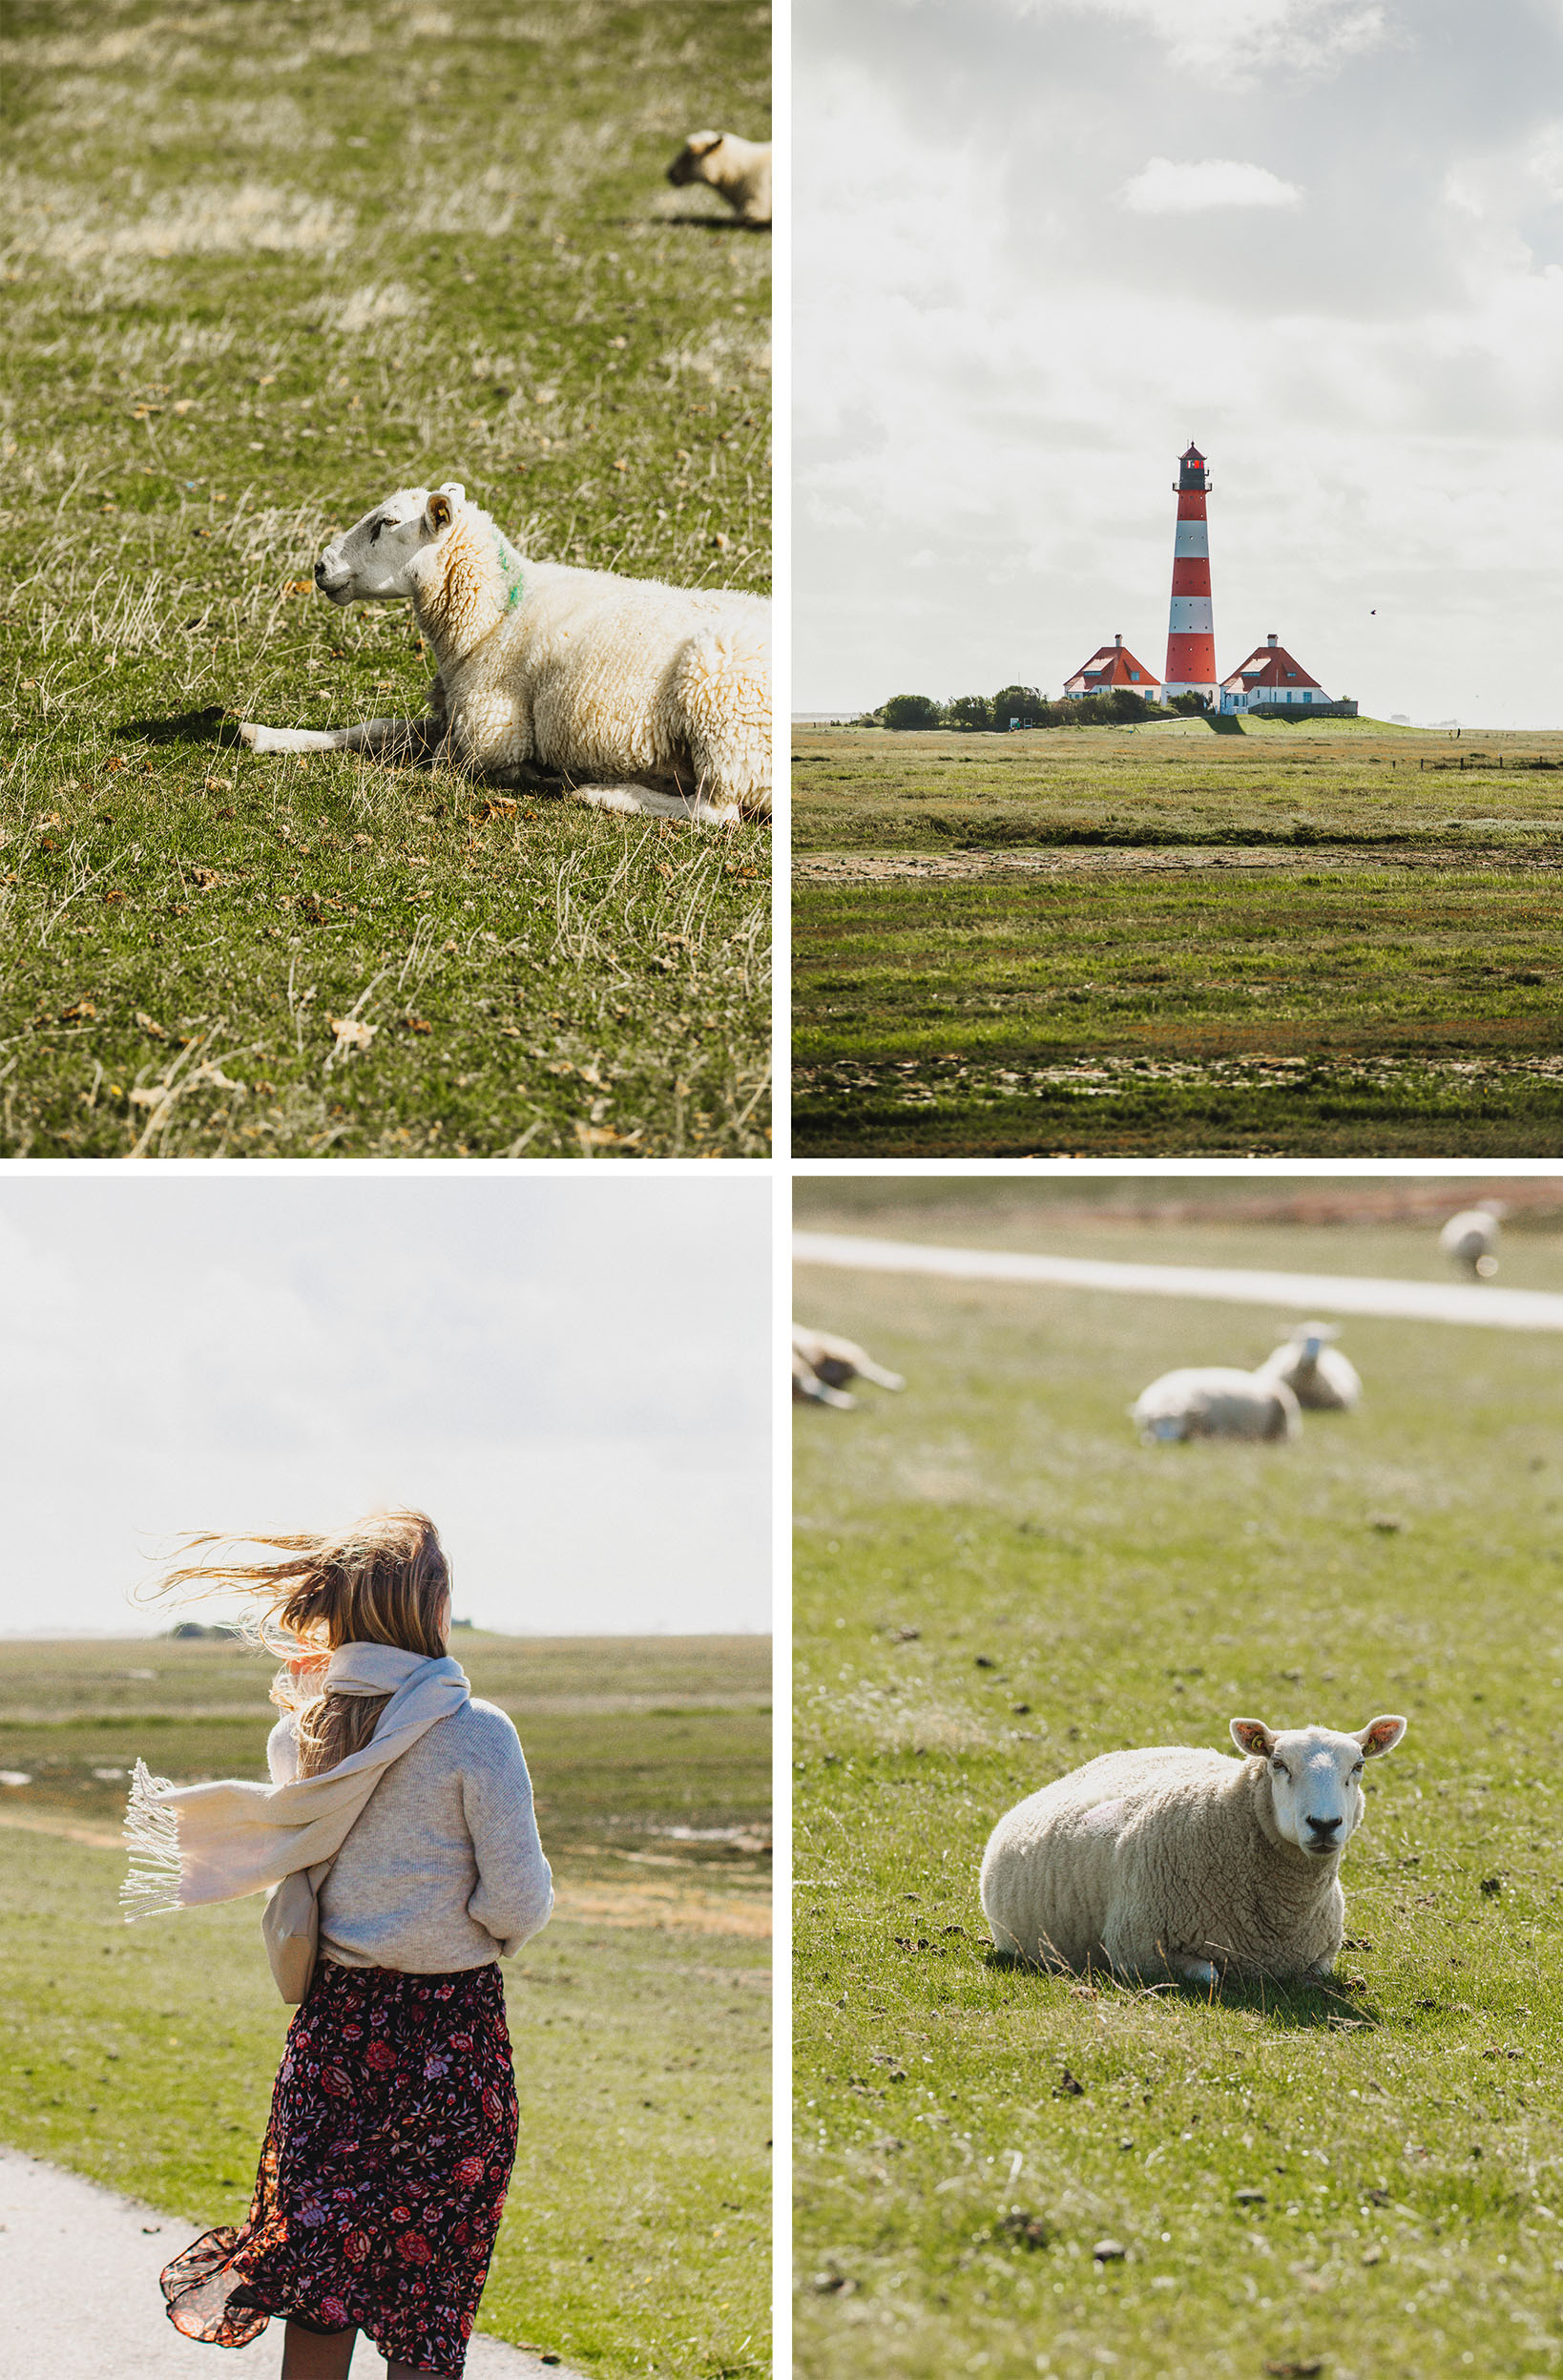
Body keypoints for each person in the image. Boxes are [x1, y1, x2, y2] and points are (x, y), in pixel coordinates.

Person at [121, 1511, 553, 2380]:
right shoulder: (476, 1733)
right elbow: (518, 1902)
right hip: (452, 2041)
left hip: (337, 2041)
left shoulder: (304, 1734)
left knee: (321, 2288)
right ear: (424, 1606)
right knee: (427, 2301)